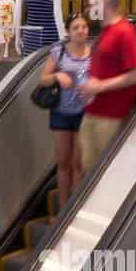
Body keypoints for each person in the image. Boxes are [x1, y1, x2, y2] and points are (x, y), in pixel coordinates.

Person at [78, 0, 136, 172]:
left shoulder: (125, 32)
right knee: (88, 169)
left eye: (92, 4)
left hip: (111, 117)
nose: (89, 10)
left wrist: (100, 86)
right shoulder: (105, 32)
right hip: (93, 112)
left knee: (103, 172)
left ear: (104, 3)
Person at [39, 11, 91, 207]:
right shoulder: (58, 52)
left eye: (84, 27)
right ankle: (62, 209)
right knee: (63, 163)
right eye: (76, 27)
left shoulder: (92, 54)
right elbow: (43, 80)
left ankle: (74, 209)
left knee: (79, 163)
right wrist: (57, 76)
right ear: (68, 31)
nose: (81, 31)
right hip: (61, 113)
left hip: (83, 114)